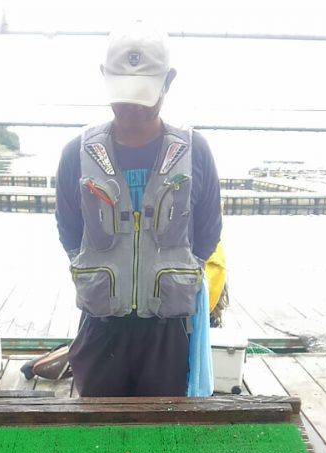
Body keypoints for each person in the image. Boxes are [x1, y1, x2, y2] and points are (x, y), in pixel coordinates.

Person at [55, 23, 222, 397]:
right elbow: (69, 231)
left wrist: (180, 271)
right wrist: (96, 269)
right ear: (104, 77)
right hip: (100, 326)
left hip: (168, 330)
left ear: (168, 81)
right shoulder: (75, 154)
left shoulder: (195, 152)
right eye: (122, 94)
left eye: (142, 95)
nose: (131, 107)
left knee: (165, 426)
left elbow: (209, 231)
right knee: (98, 425)